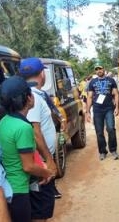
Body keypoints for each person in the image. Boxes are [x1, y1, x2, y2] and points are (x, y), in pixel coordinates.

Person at [0, 76, 55, 222]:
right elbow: (28, 166)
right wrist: (47, 172)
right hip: (19, 190)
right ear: (29, 99)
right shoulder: (23, 127)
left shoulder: (4, 121)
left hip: (8, 187)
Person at [19, 57, 60, 221]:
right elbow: (35, 132)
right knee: (40, 211)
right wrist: (48, 160)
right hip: (39, 162)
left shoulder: (34, 95)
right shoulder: (33, 98)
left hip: (38, 159)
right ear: (42, 74)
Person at [85, 63, 119, 161]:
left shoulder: (111, 80)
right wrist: (87, 112)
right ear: (95, 71)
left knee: (111, 129)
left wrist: (117, 107)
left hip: (109, 108)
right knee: (99, 132)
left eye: (100, 68)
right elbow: (90, 97)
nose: (99, 70)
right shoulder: (92, 82)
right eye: (97, 69)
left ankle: (113, 150)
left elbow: (116, 94)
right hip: (97, 110)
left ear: (104, 69)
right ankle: (102, 152)